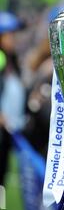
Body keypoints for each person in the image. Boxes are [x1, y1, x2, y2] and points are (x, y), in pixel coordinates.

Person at [0, 11, 26, 186]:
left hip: (8, 132)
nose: (14, 39)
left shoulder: (12, 59)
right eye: (10, 34)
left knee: (2, 176)